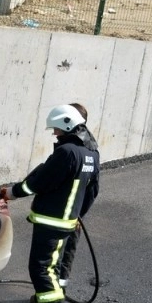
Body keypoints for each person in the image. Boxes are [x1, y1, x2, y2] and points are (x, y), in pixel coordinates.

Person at [0, 105, 100, 303]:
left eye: (55, 128)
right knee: (50, 269)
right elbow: (92, 191)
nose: (54, 133)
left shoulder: (66, 153)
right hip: (66, 221)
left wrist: (13, 192)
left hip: (52, 221)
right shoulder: (90, 154)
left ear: (66, 124)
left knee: (42, 269)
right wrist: (78, 216)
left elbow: (39, 182)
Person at [55, 102, 100, 291]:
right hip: (75, 215)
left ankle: (50, 302)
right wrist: (80, 214)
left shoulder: (72, 149)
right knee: (66, 257)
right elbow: (93, 187)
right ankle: (59, 292)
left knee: (54, 259)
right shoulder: (91, 148)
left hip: (64, 214)